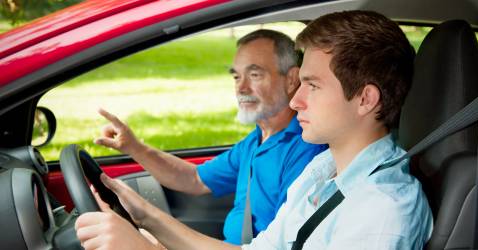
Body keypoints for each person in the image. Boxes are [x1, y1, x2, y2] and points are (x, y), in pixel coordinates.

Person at [75, 10, 433, 250]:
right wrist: (146, 216)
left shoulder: (381, 213)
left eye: (313, 85)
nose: (296, 101)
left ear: (365, 99)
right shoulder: (323, 174)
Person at [93, 29, 326, 244]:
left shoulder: (306, 149)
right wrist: (134, 147)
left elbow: (284, 245)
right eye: (236, 77)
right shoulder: (256, 140)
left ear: (292, 79)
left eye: (254, 74)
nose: (241, 88)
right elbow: (195, 179)